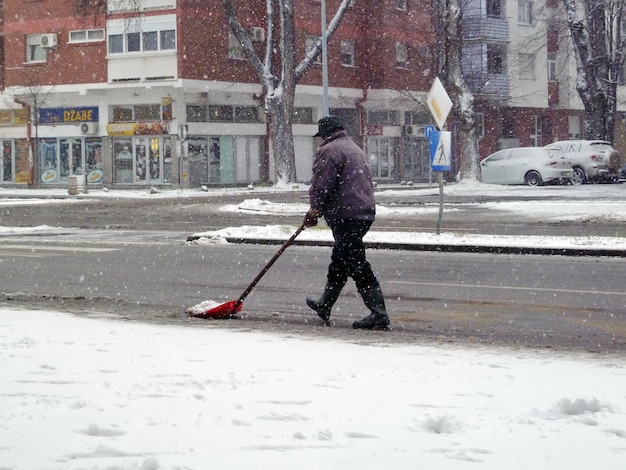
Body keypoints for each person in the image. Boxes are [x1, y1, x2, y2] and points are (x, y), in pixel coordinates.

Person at [304, 115, 390, 330]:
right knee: (340, 260)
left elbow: (322, 184)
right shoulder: (354, 148)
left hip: (346, 215)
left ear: (325, 135)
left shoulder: (329, 150)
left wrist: (314, 209)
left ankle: (378, 313)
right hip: (363, 212)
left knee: (355, 262)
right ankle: (325, 304)